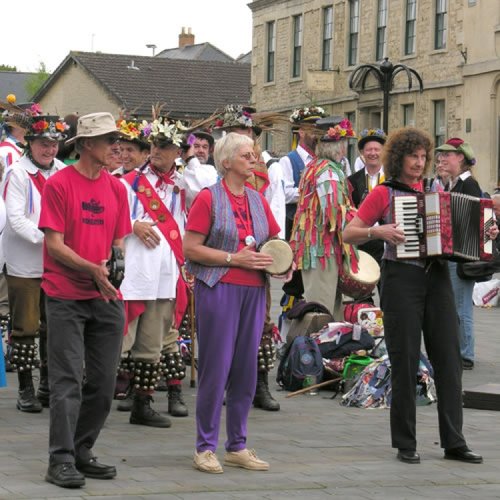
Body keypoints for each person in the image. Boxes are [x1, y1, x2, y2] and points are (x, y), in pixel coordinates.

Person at [342, 127, 485, 465]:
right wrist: (378, 230)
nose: (420, 163)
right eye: (413, 157)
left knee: (449, 361)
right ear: (399, 158)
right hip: (400, 279)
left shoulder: (437, 191)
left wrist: (485, 230)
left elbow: (461, 234)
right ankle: (405, 442)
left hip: (436, 278)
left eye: (424, 157)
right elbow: (349, 232)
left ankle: (455, 440)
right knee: (404, 360)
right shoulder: (384, 193)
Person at [39, 112, 132, 488]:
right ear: (86, 145)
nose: (117, 147)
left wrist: (116, 262)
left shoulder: (116, 189)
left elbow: (119, 238)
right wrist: (92, 269)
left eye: (116, 140)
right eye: (109, 141)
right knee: (66, 382)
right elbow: (53, 245)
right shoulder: (59, 185)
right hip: (65, 295)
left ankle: (81, 449)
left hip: (106, 296)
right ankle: (58, 459)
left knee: (105, 382)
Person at [184, 132, 281, 474]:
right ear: (226, 162)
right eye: (246, 155)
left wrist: (283, 263)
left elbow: (272, 243)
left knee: (245, 369)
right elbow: (191, 248)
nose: (253, 159)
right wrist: (232, 258)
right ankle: (205, 447)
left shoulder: (258, 199)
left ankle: (237, 445)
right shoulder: (208, 199)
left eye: (254, 154)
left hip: (254, 290)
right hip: (219, 287)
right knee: (216, 367)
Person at [118, 116, 217, 427]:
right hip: (134, 270)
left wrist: (189, 161)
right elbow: (114, 216)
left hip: (165, 272)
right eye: (155, 145)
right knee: (119, 337)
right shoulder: (129, 181)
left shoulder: (185, 180)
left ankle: (143, 404)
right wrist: (132, 225)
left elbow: (208, 190)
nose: (157, 151)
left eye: (166, 146)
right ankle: (98, 392)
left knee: (153, 338)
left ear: (178, 151)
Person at [213, 104, 285, 411]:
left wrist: (279, 253)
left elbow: (275, 207)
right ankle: (229, 382)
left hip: (259, 254)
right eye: (235, 133)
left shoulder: (267, 168)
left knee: (262, 321)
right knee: (229, 326)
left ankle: (260, 383)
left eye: (246, 133)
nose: (243, 138)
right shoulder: (217, 171)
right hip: (229, 255)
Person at [2, 111, 67, 412]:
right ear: (30, 143)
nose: (49, 149)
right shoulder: (16, 173)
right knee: (26, 325)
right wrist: (50, 240)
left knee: (53, 325)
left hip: (55, 262)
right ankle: (25, 388)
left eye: (54, 144)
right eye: (43, 143)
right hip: (25, 261)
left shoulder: (63, 171)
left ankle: (46, 385)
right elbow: (15, 218)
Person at [290, 118, 357, 321]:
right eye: (345, 145)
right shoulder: (328, 172)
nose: (346, 150)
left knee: (329, 311)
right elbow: (336, 215)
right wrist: (363, 222)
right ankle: (315, 350)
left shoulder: (315, 166)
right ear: (339, 147)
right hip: (321, 250)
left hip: (319, 249)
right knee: (322, 313)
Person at [435, 138, 483, 370]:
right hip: (451, 255)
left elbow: (479, 219)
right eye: (440, 155)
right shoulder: (450, 184)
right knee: (454, 305)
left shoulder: (469, 184)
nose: (441, 159)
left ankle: (466, 354)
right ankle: (457, 349)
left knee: (462, 306)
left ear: (461, 158)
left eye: (447, 155)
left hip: (462, 257)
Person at [347, 128, 387, 266]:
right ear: (362, 153)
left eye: (377, 149)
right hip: (363, 241)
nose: (373, 153)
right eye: (369, 150)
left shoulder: (393, 177)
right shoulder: (352, 180)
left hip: (387, 242)